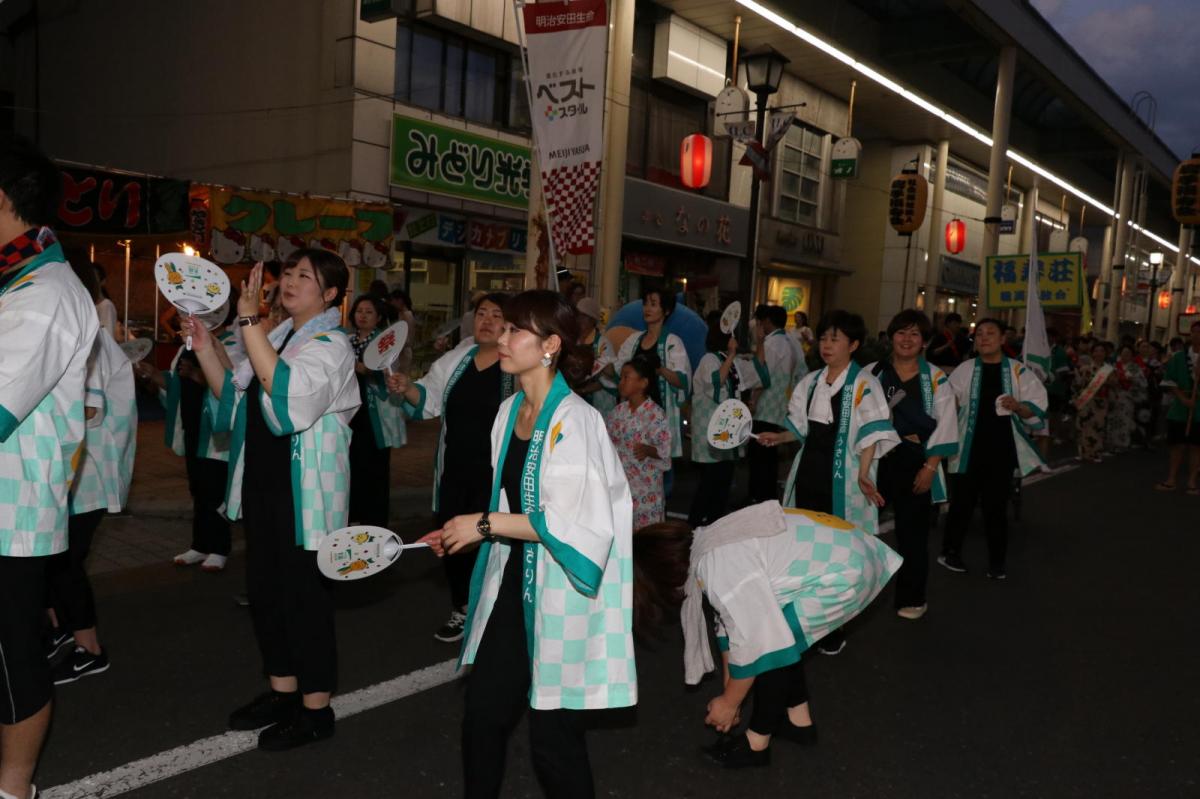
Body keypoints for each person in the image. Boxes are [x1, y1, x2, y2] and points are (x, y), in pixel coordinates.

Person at [420, 289, 634, 799]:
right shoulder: (509, 411)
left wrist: (485, 525)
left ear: (550, 345)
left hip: (562, 594)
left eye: (517, 329)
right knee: (484, 716)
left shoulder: (575, 422)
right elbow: (511, 505)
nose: (503, 335)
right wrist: (463, 532)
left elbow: (572, 522)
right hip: (515, 584)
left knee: (552, 741)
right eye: (504, 325)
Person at [184, 251, 358, 751]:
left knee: (305, 601)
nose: (290, 281)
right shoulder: (278, 337)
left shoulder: (332, 345)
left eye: (307, 276)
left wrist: (247, 321)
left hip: (307, 493)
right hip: (264, 481)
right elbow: (235, 396)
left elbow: (286, 396)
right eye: (289, 272)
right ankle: (283, 692)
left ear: (330, 295)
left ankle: (316, 708)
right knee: (266, 593)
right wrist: (205, 346)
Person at [633, 501, 901, 769]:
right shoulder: (707, 544)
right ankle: (799, 723)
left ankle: (756, 745)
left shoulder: (721, 570)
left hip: (846, 572)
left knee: (772, 652)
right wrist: (731, 694)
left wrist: (729, 703)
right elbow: (729, 627)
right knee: (781, 636)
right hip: (849, 552)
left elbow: (759, 644)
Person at [0, 133, 99, 799]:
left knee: (13, 660)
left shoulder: (44, 293)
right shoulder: (18, 278)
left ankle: (15, 789)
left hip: (12, 513)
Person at [756, 310, 898, 655]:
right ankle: (801, 615)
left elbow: (871, 433)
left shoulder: (865, 384)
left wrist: (865, 474)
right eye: (823, 338)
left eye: (835, 339)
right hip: (809, 472)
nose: (827, 345)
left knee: (840, 551)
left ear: (853, 345)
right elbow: (801, 429)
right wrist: (778, 437)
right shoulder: (811, 382)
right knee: (805, 542)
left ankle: (834, 626)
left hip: (845, 480)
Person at [386, 293, 515, 643]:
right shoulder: (457, 359)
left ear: (509, 324)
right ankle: (462, 607)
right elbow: (427, 397)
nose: (486, 320)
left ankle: (494, 609)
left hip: (496, 475)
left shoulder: (517, 365)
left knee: (493, 542)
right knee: (452, 540)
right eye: (481, 313)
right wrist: (407, 387)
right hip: (454, 470)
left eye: (496, 315)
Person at [48, 259, 138, 684]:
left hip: (88, 474)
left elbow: (86, 407)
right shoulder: (80, 334)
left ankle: (90, 649)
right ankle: (63, 632)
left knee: (65, 561)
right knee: (52, 560)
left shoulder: (93, 339)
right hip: (73, 472)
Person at [866, 310, 958, 620]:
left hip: (916, 463)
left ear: (924, 342)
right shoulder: (872, 373)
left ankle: (912, 597)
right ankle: (851, 593)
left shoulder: (935, 379)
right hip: (875, 460)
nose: (907, 339)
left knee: (913, 536)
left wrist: (930, 467)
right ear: (890, 336)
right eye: (901, 332)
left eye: (915, 334)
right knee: (859, 528)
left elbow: (946, 425)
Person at [939, 319, 1047, 580]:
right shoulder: (964, 370)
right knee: (961, 505)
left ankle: (997, 563)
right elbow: (947, 405)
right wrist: (948, 406)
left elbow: (1037, 409)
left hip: (1002, 450)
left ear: (1002, 340)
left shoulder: (1018, 372)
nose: (983, 338)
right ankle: (950, 553)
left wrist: (1019, 407)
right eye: (979, 334)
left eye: (990, 334)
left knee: (996, 508)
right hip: (967, 449)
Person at [138, 297, 240, 571]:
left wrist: (198, 374)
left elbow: (233, 385)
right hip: (193, 426)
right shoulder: (187, 344)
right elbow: (174, 381)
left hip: (216, 432)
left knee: (215, 489)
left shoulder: (232, 343)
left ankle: (220, 548)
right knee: (198, 488)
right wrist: (153, 376)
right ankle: (200, 544)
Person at [346, 295, 407, 528]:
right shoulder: (347, 340)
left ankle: (375, 522)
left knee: (374, 469)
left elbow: (391, 376)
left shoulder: (384, 343)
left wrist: (364, 369)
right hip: (350, 413)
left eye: (368, 312)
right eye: (359, 311)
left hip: (374, 416)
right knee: (351, 465)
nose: (362, 315)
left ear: (379, 317)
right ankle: (352, 517)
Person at [614, 285, 691, 460]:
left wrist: (661, 370)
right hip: (632, 417)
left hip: (659, 418)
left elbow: (682, 381)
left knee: (658, 470)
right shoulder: (634, 340)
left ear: (667, 310)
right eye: (646, 303)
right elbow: (619, 370)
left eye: (654, 304)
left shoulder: (672, 343)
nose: (647, 308)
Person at [687, 313, 742, 526]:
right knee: (710, 483)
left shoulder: (721, 358)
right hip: (710, 430)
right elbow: (716, 385)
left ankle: (713, 525)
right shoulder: (709, 359)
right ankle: (693, 527)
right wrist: (731, 355)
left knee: (721, 482)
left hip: (724, 430)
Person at [607, 356, 671, 530]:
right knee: (622, 534)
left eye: (626, 377)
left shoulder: (655, 414)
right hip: (621, 487)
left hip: (646, 489)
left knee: (646, 538)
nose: (621, 382)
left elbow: (665, 452)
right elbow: (606, 444)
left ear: (643, 383)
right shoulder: (617, 412)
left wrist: (649, 450)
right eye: (621, 377)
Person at [745, 305, 797, 504]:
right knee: (769, 455)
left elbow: (761, 375)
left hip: (765, 404)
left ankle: (759, 497)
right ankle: (766, 497)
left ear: (766, 321)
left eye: (760, 322)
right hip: (779, 402)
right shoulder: (788, 341)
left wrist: (753, 400)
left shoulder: (770, 343)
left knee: (760, 455)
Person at [1157, 320, 1200, 494]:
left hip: (1199, 408)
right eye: (1195, 331)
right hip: (1180, 407)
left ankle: (1191, 481)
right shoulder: (1178, 357)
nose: (1197, 335)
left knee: (1196, 447)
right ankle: (1172, 478)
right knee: (1177, 445)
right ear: (1190, 334)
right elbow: (1169, 380)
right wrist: (1183, 398)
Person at [574, 296, 618, 417]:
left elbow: (608, 379)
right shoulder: (569, 340)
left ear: (593, 320)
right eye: (578, 315)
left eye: (584, 316)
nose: (579, 319)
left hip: (594, 401)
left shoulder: (603, 344)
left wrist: (581, 391)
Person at [1073, 342, 1115, 464]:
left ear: (1105, 354)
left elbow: (1114, 384)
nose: (1099, 353)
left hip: (1101, 401)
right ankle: (1083, 452)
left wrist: (1105, 382)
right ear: (1092, 353)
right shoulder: (1085, 368)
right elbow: (1078, 384)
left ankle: (1096, 452)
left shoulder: (1109, 370)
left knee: (1098, 426)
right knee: (1083, 425)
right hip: (1086, 400)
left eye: (1101, 351)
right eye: (1096, 351)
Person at [1106, 344, 1144, 453]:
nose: (1125, 355)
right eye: (1123, 353)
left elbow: (1142, 383)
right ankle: (1111, 443)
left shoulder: (1135, 367)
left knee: (1125, 421)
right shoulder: (1114, 366)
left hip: (1127, 397)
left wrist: (1132, 380)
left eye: (1128, 353)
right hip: (1114, 395)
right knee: (1112, 420)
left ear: (1132, 356)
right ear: (1120, 354)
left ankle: (1123, 443)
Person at [387, 288, 416, 371]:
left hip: (404, 350)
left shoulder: (407, 315)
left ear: (400, 300)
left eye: (393, 301)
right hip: (400, 349)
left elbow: (408, 336)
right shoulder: (401, 314)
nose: (392, 303)